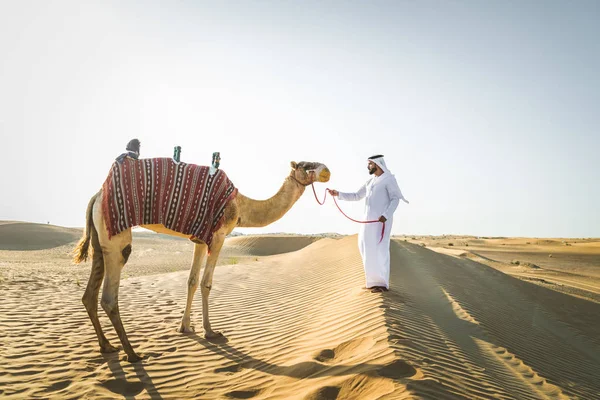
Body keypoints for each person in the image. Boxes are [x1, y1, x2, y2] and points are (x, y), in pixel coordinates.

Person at [328, 155, 409, 293]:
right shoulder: (370, 182)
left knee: (380, 250)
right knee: (365, 248)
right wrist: (338, 194)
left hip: (381, 222)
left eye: (370, 164)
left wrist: (386, 215)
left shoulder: (389, 179)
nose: (368, 167)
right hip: (367, 222)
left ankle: (382, 284)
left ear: (378, 164)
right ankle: (372, 282)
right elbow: (356, 196)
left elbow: (395, 199)